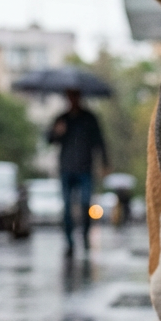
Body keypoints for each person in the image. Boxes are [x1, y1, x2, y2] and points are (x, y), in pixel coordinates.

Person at [47, 89, 108, 254]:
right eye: (70, 96)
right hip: (66, 169)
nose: (72, 99)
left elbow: (100, 142)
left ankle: (85, 237)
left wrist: (105, 163)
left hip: (85, 169)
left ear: (79, 97)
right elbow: (49, 139)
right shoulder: (62, 118)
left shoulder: (89, 119)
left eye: (75, 96)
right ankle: (69, 242)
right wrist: (56, 132)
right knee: (67, 207)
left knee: (85, 203)